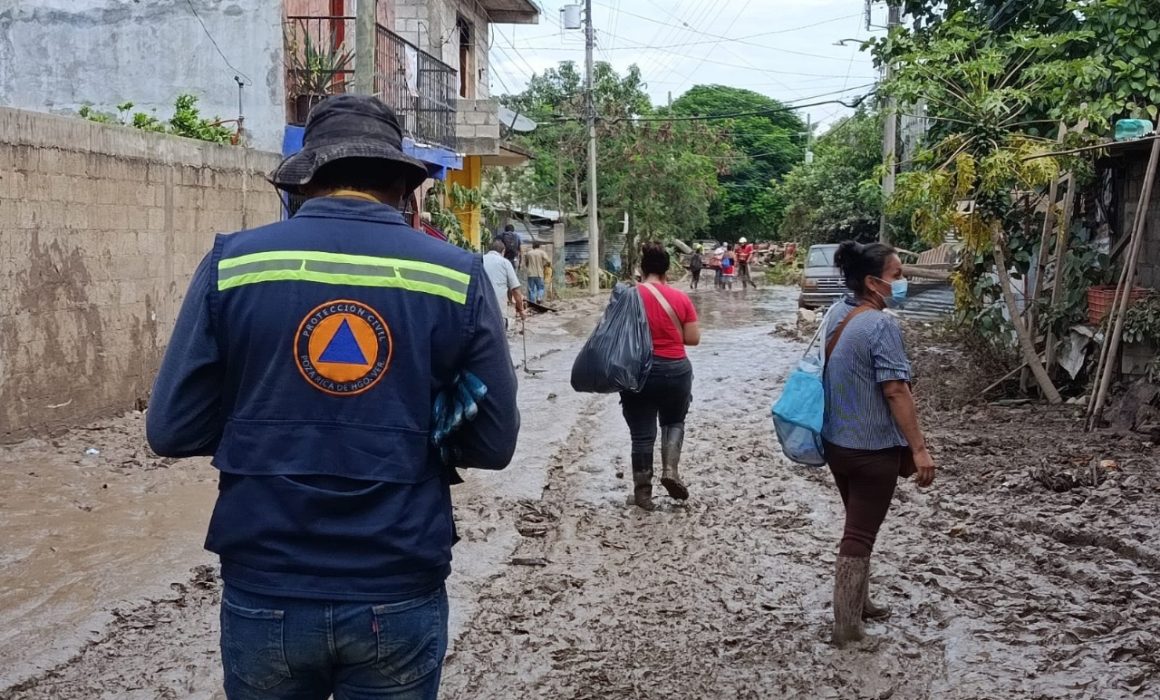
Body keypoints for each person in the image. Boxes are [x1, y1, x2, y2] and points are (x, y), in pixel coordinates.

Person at [145, 95, 520, 699]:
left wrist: (269, 419)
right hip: (397, 581)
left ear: (305, 180)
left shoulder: (233, 264)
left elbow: (170, 430)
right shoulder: (457, 275)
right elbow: (495, 443)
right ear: (404, 186)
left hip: (266, 582)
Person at [822, 240, 936, 647]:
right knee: (859, 534)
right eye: (897, 275)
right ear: (873, 282)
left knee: (857, 522)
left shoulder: (838, 312)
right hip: (872, 451)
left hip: (836, 442)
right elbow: (895, 391)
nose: (902, 283)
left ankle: (861, 603)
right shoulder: (882, 325)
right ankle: (847, 629)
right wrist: (919, 448)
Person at [622, 242, 702, 511]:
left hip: (639, 373)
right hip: (676, 371)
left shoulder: (629, 297)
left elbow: (613, 338)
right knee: (674, 421)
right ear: (667, 270)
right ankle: (671, 470)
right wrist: (668, 333)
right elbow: (693, 338)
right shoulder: (681, 299)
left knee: (642, 436)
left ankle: (643, 495)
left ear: (641, 270)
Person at [484, 239, 526, 328]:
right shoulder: (505, 263)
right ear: (503, 251)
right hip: (498, 313)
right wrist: (521, 310)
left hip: (479, 313)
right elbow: (515, 290)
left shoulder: (479, 261)